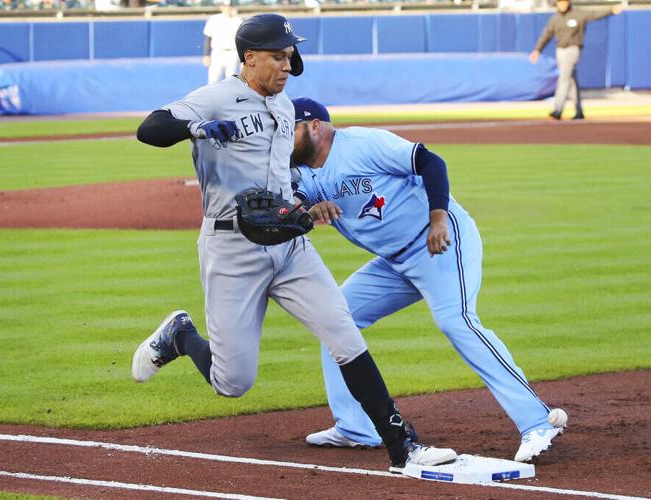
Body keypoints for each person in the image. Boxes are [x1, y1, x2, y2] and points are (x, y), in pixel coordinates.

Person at [131, 13, 456, 474]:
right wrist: (197, 128)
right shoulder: (215, 99)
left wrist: (302, 209)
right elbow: (150, 128)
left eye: (289, 56)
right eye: (278, 57)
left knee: (343, 332)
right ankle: (180, 335)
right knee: (233, 383)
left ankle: (403, 446)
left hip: (288, 244)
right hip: (232, 249)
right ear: (248, 58)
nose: (287, 66)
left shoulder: (285, 109)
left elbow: (281, 180)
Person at [289, 97, 568, 463]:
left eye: (288, 128)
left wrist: (438, 218)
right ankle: (355, 427)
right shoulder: (301, 170)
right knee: (334, 316)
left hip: (438, 240)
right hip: (395, 261)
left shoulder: (362, 144)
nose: (282, 137)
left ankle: (537, 420)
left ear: (314, 126)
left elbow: (430, 161)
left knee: (457, 321)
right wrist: (308, 210)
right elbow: (290, 205)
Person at [529, 0, 622, 120]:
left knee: (563, 79)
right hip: (560, 51)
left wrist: (611, 11)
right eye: (560, 2)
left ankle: (558, 110)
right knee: (571, 81)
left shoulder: (577, 14)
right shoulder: (555, 19)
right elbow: (546, 35)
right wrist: (537, 50)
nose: (562, 5)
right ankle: (579, 111)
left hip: (573, 49)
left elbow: (593, 14)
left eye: (564, 2)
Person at [202, 0, 243, 85]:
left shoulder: (238, 20)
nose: (227, 8)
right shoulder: (214, 19)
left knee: (232, 82)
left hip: (233, 53)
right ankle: (213, 98)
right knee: (213, 81)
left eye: (229, 6)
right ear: (221, 7)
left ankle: (231, 98)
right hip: (217, 53)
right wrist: (206, 55)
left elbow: (242, 40)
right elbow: (208, 37)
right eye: (225, 6)